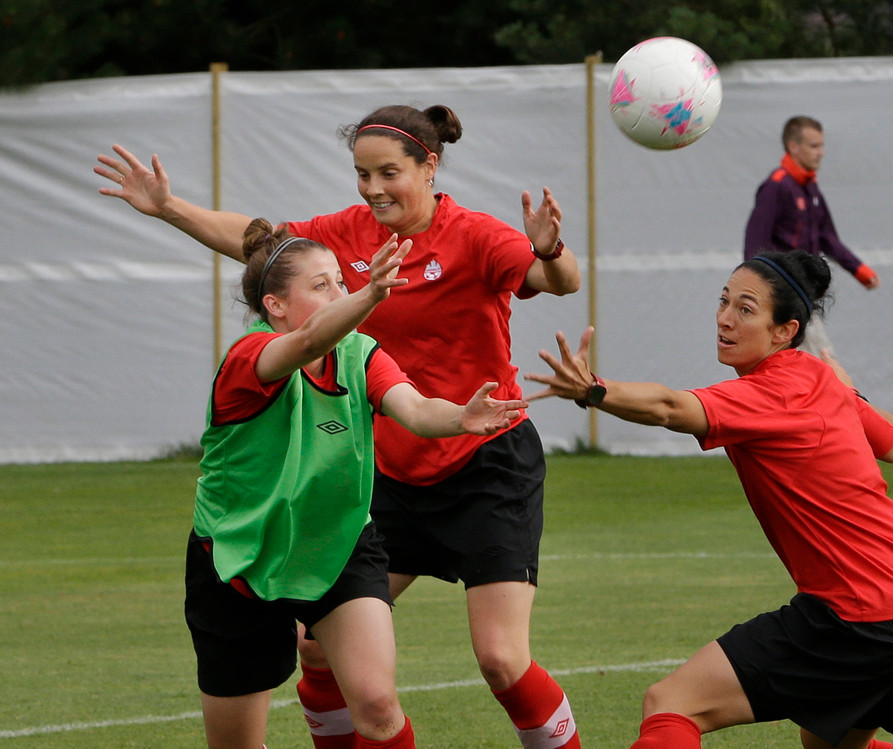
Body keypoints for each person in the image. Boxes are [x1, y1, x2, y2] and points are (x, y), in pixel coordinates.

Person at [95, 104, 584, 749]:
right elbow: (261, 246)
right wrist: (169, 208)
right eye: (361, 173)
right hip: (388, 472)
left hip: (483, 458)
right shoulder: (340, 248)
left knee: (500, 659)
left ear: (429, 166)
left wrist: (549, 248)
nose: (373, 189)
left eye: (388, 173)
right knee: (317, 649)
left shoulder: (475, 236)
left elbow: (558, 280)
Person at [524, 250, 893, 749]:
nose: (724, 317)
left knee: (671, 703)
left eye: (746, 309)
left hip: (856, 616)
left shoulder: (774, 392)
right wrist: (852, 391)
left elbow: (669, 407)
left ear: (784, 330)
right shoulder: (818, 377)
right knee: (825, 745)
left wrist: (593, 390)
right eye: (724, 301)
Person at [186, 220, 528, 749]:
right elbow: (304, 342)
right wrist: (371, 294)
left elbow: (412, 409)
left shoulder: (359, 351)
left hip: (337, 542)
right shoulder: (249, 359)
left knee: (377, 706)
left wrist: (460, 417)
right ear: (275, 305)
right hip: (238, 554)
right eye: (321, 286)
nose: (340, 293)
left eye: (342, 282)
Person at [744, 116, 880, 356]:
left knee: (809, 364)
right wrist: (762, 293)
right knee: (823, 361)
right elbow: (754, 246)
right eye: (815, 146)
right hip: (785, 298)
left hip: (805, 295)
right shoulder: (777, 186)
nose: (821, 153)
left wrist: (860, 270)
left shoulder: (810, 187)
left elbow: (828, 237)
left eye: (821, 146)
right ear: (794, 147)